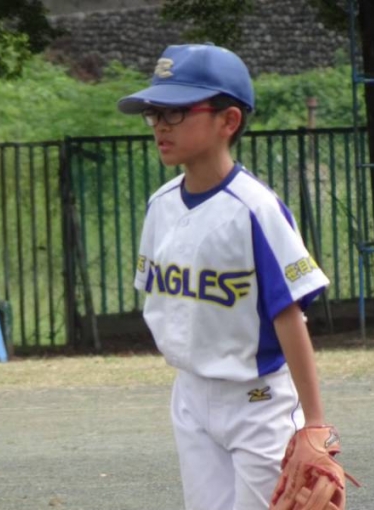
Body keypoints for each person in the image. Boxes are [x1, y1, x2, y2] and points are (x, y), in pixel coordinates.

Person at [117, 43, 334, 510]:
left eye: (175, 111)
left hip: (257, 401)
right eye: (154, 112)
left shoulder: (255, 209)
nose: (160, 124)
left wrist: (315, 423)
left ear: (228, 120)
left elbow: (288, 316)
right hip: (190, 394)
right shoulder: (161, 205)